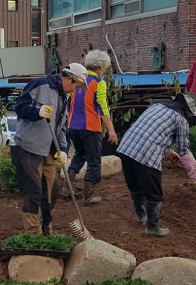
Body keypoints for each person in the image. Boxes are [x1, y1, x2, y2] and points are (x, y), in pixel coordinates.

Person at [11, 63, 88, 235]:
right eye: (75, 85)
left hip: (49, 152)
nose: (75, 89)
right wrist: (37, 110)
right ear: (69, 78)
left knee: (52, 192)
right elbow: (20, 107)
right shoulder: (39, 84)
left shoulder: (63, 97)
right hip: (30, 147)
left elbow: (61, 129)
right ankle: (33, 233)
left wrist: (62, 149)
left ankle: (46, 229)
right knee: (34, 191)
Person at [116, 92, 196, 237]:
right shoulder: (180, 120)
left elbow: (152, 133)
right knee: (154, 193)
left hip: (126, 148)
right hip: (145, 154)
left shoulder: (156, 107)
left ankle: (141, 216)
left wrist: (168, 152)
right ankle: (153, 228)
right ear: (188, 109)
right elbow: (184, 150)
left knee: (135, 186)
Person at [66, 49, 119, 205]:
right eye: (104, 69)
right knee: (94, 161)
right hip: (90, 128)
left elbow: (69, 102)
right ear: (99, 67)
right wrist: (111, 129)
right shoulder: (98, 83)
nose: (104, 72)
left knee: (79, 155)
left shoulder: (79, 80)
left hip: (73, 126)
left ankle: (66, 188)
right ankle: (88, 197)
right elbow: (102, 106)